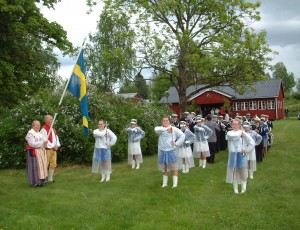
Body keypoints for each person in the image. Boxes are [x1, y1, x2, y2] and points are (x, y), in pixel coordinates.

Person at [226, 119, 255, 194]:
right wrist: (240, 134)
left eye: (236, 124)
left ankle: (243, 187)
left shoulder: (243, 133)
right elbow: (230, 136)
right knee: (234, 171)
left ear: (239, 125)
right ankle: (235, 188)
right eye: (233, 124)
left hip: (240, 154)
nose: (234, 126)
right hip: (232, 154)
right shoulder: (229, 132)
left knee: (242, 171)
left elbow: (252, 142)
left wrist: (246, 150)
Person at [155, 116, 185, 188]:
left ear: (169, 121)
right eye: (163, 120)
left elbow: (182, 135)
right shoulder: (160, 129)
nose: (165, 122)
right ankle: (164, 183)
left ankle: (175, 184)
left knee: (174, 167)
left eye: (166, 120)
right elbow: (155, 129)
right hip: (162, 151)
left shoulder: (174, 129)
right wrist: (166, 129)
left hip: (171, 150)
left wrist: (176, 143)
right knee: (165, 167)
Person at [25, 120, 48, 187]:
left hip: (40, 152)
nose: (38, 126)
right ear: (33, 126)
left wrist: (45, 142)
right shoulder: (30, 133)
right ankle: (35, 182)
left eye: (39, 125)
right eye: (37, 125)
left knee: (41, 167)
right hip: (33, 152)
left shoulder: (39, 133)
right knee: (35, 167)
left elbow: (44, 142)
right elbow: (32, 144)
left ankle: (41, 181)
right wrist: (42, 143)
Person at [40, 115, 61, 183]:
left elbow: (56, 138)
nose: (52, 120)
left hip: (53, 149)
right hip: (47, 149)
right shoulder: (44, 129)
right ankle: (43, 178)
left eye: (52, 119)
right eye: (51, 119)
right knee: (46, 164)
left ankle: (50, 178)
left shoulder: (53, 129)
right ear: (46, 120)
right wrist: (52, 146)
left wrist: (57, 145)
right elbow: (44, 140)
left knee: (53, 164)